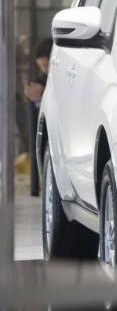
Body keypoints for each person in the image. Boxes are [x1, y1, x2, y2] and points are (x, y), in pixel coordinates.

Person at [24, 39, 51, 196]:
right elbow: (40, 81)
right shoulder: (42, 78)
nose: (44, 70)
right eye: (41, 67)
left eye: (46, 66)